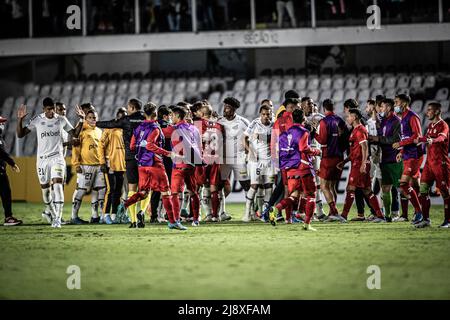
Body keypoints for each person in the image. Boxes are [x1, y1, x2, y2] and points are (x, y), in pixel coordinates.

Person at [16, 98, 85, 228]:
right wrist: (20, 120)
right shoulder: (37, 120)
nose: (52, 112)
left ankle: (58, 219)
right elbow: (20, 135)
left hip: (57, 159)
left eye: (53, 109)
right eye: (49, 109)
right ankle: (51, 213)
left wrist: (81, 120)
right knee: (46, 193)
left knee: (58, 186)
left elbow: (75, 133)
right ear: (44, 109)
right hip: (42, 161)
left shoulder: (61, 119)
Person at [124, 102, 183, 229]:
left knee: (144, 193)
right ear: (155, 114)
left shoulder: (138, 128)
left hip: (141, 165)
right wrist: (168, 153)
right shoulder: (155, 128)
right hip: (155, 163)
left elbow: (132, 146)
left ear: (145, 114)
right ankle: (173, 222)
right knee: (166, 192)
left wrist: (142, 147)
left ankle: (125, 205)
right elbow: (150, 145)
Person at [96, 99, 146, 227]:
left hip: (128, 160)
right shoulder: (145, 118)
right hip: (139, 159)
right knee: (143, 189)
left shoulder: (125, 122)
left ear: (132, 108)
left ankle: (129, 218)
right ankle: (109, 214)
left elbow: (110, 123)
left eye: (127, 109)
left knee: (128, 190)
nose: (126, 112)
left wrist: (95, 123)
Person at [269, 109, 320, 230]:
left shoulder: (285, 134)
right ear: (304, 119)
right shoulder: (303, 131)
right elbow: (304, 148)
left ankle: (276, 209)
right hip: (303, 167)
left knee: (294, 196)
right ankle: (307, 224)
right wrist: (316, 151)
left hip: (290, 169)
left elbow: (281, 151)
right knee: (311, 195)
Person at [338, 109, 385, 222]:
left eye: (349, 116)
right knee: (367, 190)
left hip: (360, 164)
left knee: (351, 188)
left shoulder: (360, 130)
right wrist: (345, 161)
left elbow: (364, 148)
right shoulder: (355, 130)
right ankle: (380, 216)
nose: (347, 118)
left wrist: (363, 163)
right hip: (357, 162)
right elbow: (355, 150)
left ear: (354, 117)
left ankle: (344, 215)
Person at [415, 102, 450, 228]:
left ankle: (448, 220)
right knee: (423, 190)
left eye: (430, 110)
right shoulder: (430, 126)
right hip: (429, 164)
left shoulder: (443, 125)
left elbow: (441, 138)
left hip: (441, 163)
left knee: (445, 192)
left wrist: (432, 140)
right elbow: (427, 139)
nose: (427, 112)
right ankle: (426, 219)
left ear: (436, 112)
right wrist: (420, 140)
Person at [167, 106, 203, 227]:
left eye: (172, 115)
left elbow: (159, 132)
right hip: (192, 165)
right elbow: (199, 146)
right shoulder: (194, 128)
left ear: (178, 116)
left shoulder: (174, 129)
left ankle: (176, 219)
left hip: (179, 164)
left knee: (175, 193)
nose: (171, 117)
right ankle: (196, 219)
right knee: (193, 192)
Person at [368, 98, 402, 223]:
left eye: (382, 107)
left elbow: (395, 140)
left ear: (388, 107)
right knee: (386, 188)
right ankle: (387, 216)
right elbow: (379, 133)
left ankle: (418, 212)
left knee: (401, 188)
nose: (381, 109)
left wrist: (378, 139)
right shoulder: (383, 121)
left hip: (394, 159)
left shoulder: (396, 121)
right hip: (384, 158)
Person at [392, 94, 424, 224]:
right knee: (415, 185)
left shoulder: (412, 117)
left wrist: (400, 145)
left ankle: (419, 212)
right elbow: (406, 137)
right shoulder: (402, 117)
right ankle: (422, 213)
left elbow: (418, 136)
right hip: (407, 154)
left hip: (414, 155)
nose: (395, 105)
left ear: (404, 103)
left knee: (404, 184)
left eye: (397, 102)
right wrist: (401, 151)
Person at [315, 99, 349, 221]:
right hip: (339, 158)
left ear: (324, 108)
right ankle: (333, 212)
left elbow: (322, 140)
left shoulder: (324, 122)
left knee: (324, 186)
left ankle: (334, 211)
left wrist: (314, 133)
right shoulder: (340, 121)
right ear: (334, 108)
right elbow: (347, 139)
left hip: (328, 157)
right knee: (332, 186)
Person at [71, 110, 106, 224]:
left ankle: (98, 216)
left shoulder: (100, 131)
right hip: (86, 166)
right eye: (90, 117)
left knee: (100, 190)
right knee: (81, 190)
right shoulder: (82, 131)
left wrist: (103, 163)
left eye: (94, 117)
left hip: (99, 166)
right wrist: (76, 164)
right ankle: (74, 216)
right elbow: (75, 148)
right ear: (86, 119)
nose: (93, 119)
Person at [219, 97, 250, 219]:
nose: (225, 109)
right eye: (225, 106)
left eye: (228, 107)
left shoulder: (243, 122)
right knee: (220, 185)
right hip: (224, 159)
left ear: (234, 109)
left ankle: (249, 213)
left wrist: (249, 153)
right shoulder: (219, 121)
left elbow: (251, 138)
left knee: (246, 185)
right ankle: (221, 212)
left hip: (239, 159)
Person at [243, 104, 275, 222]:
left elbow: (275, 139)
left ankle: (265, 214)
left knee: (269, 187)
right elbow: (244, 138)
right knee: (254, 186)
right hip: (256, 161)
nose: (266, 116)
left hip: (269, 161)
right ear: (260, 114)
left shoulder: (274, 124)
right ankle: (247, 214)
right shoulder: (255, 123)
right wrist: (250, 151)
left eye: (268, 114)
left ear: (272, 113)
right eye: (264, 114)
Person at [99, 107, 127, 224]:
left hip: (122, 164)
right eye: (121, 116)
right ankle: (105, 215)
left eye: (125, 116)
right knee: (110, 189)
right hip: (110, 163)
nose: (123, 119)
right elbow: (101, 145)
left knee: (118, 191)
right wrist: (102, 162)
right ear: (117, 117)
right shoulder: (109, 129)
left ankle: (114, 215)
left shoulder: (126, 129)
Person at [200, 103, 225, 222]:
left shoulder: (200, 125)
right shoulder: (220, 126)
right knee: (215, 188)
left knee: (204, 186)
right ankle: (216, 215)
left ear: (203, 114)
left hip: (204, 159)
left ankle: (208, 214)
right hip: (217, 159)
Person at [149, 105, 173, 223]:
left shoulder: (152, 126)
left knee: (156, 189)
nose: (171, 118)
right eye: (170, 116)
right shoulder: (166, 127)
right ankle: (162, 214)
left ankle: (154, 215)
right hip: (166, 161)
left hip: (154, 160)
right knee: (165, 188)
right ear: (165, 116)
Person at [0, 115, 22, 226]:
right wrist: (12, 163)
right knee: (5, 194)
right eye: (0, 122)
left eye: (3, 122)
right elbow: (0, 152)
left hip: (2, 172)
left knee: (6, 195)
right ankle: (8, 217)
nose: (2, 124)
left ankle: (8, 218)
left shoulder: (0, 138)